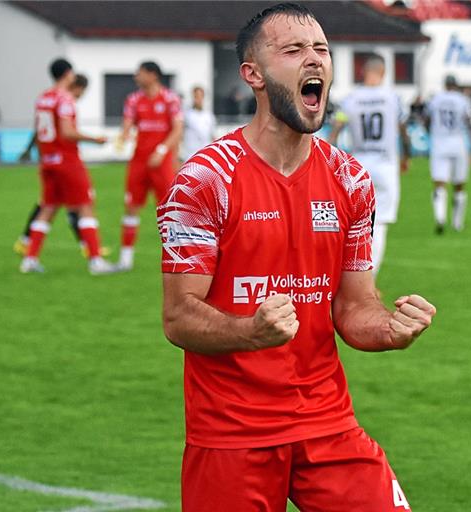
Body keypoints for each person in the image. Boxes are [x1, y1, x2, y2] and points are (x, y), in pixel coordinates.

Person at [156, 3, 436, 510]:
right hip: (232, 434)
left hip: (328, 423)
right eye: (294, 49)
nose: (315, 60)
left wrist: (389, 329)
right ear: (253, 75)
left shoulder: (351, 179)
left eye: (322, 50)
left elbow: (354, 306)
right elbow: (178, 318)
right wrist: (250, 332)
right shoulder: (205, 180)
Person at [20, 59, 116, 275]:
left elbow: (39, 129)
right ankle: (96, 261)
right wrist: (95, 139)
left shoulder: (43, 97)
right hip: (67, 160)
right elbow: (67, 132)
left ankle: (30, 259)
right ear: (68, 74)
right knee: (85, 206)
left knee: (48, 208)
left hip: (47, 160)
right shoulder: (65, 99)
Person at [328, 54, 410, 274]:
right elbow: (403, 130)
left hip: (358, 166)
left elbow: (336, 129)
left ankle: (345, 273)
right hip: (385, 164)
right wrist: (406, 157)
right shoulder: (392, 98)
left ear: (364, 72)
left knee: (355, 223)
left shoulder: (351, 99)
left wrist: (327, 156)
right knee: (380, 222)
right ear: (382, 72)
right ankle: (369, 280)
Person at [116, 61, 183, 271]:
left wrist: (162, 151)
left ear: (153, 75)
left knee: (169, 211)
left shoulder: (170, 99)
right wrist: (124, 135)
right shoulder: (134, 99)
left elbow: (177, 130)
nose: (137, 77)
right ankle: (125, 260)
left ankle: (177, 259)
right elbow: (128, 123)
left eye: (140, 73)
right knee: (131, 206)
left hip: (161, 162)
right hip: (139, 162)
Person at [424, 75, 471, 233]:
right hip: (458, 142)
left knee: (439, 182)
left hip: (439, 143)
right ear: (456, 85)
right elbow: (470, 124)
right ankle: (457, 223)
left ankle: (440, 217)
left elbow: (426, 120)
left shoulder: (435, 100)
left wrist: (431, 132)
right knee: (459, 184)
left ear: (445, 85)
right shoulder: (463, 100)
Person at [182, 85, 216, 159]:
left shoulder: (209, 116)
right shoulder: (186, 115)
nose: (198, 99)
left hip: (206, 155)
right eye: (196, 96)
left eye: (200, 96)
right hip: (189, 155)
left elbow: (212, 136)